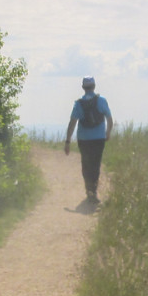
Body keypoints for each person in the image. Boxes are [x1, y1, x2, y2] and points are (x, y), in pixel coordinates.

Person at [64, 75, 113, 204]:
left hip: (84, 139)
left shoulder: (79, 104)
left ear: (83, 87)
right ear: (94, 86)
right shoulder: (101, 101)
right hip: (98, 138)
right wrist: (107, 133)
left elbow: (72, 123)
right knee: (95, 165)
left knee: (86, 164)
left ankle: (88, 190)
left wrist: (68, 141)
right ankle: (93, 192)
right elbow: (109, 119)